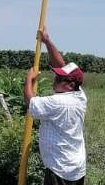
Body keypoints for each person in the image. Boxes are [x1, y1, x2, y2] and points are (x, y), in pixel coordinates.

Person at [25, 27, 87, 185]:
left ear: (69, 84)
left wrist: (29, 79)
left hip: (60, 170)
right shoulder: (79, 95)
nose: (55, 81)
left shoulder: (59, 102)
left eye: (59, 79)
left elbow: (31, 103)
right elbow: (61, 64)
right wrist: (47, 41)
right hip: (76, 168)